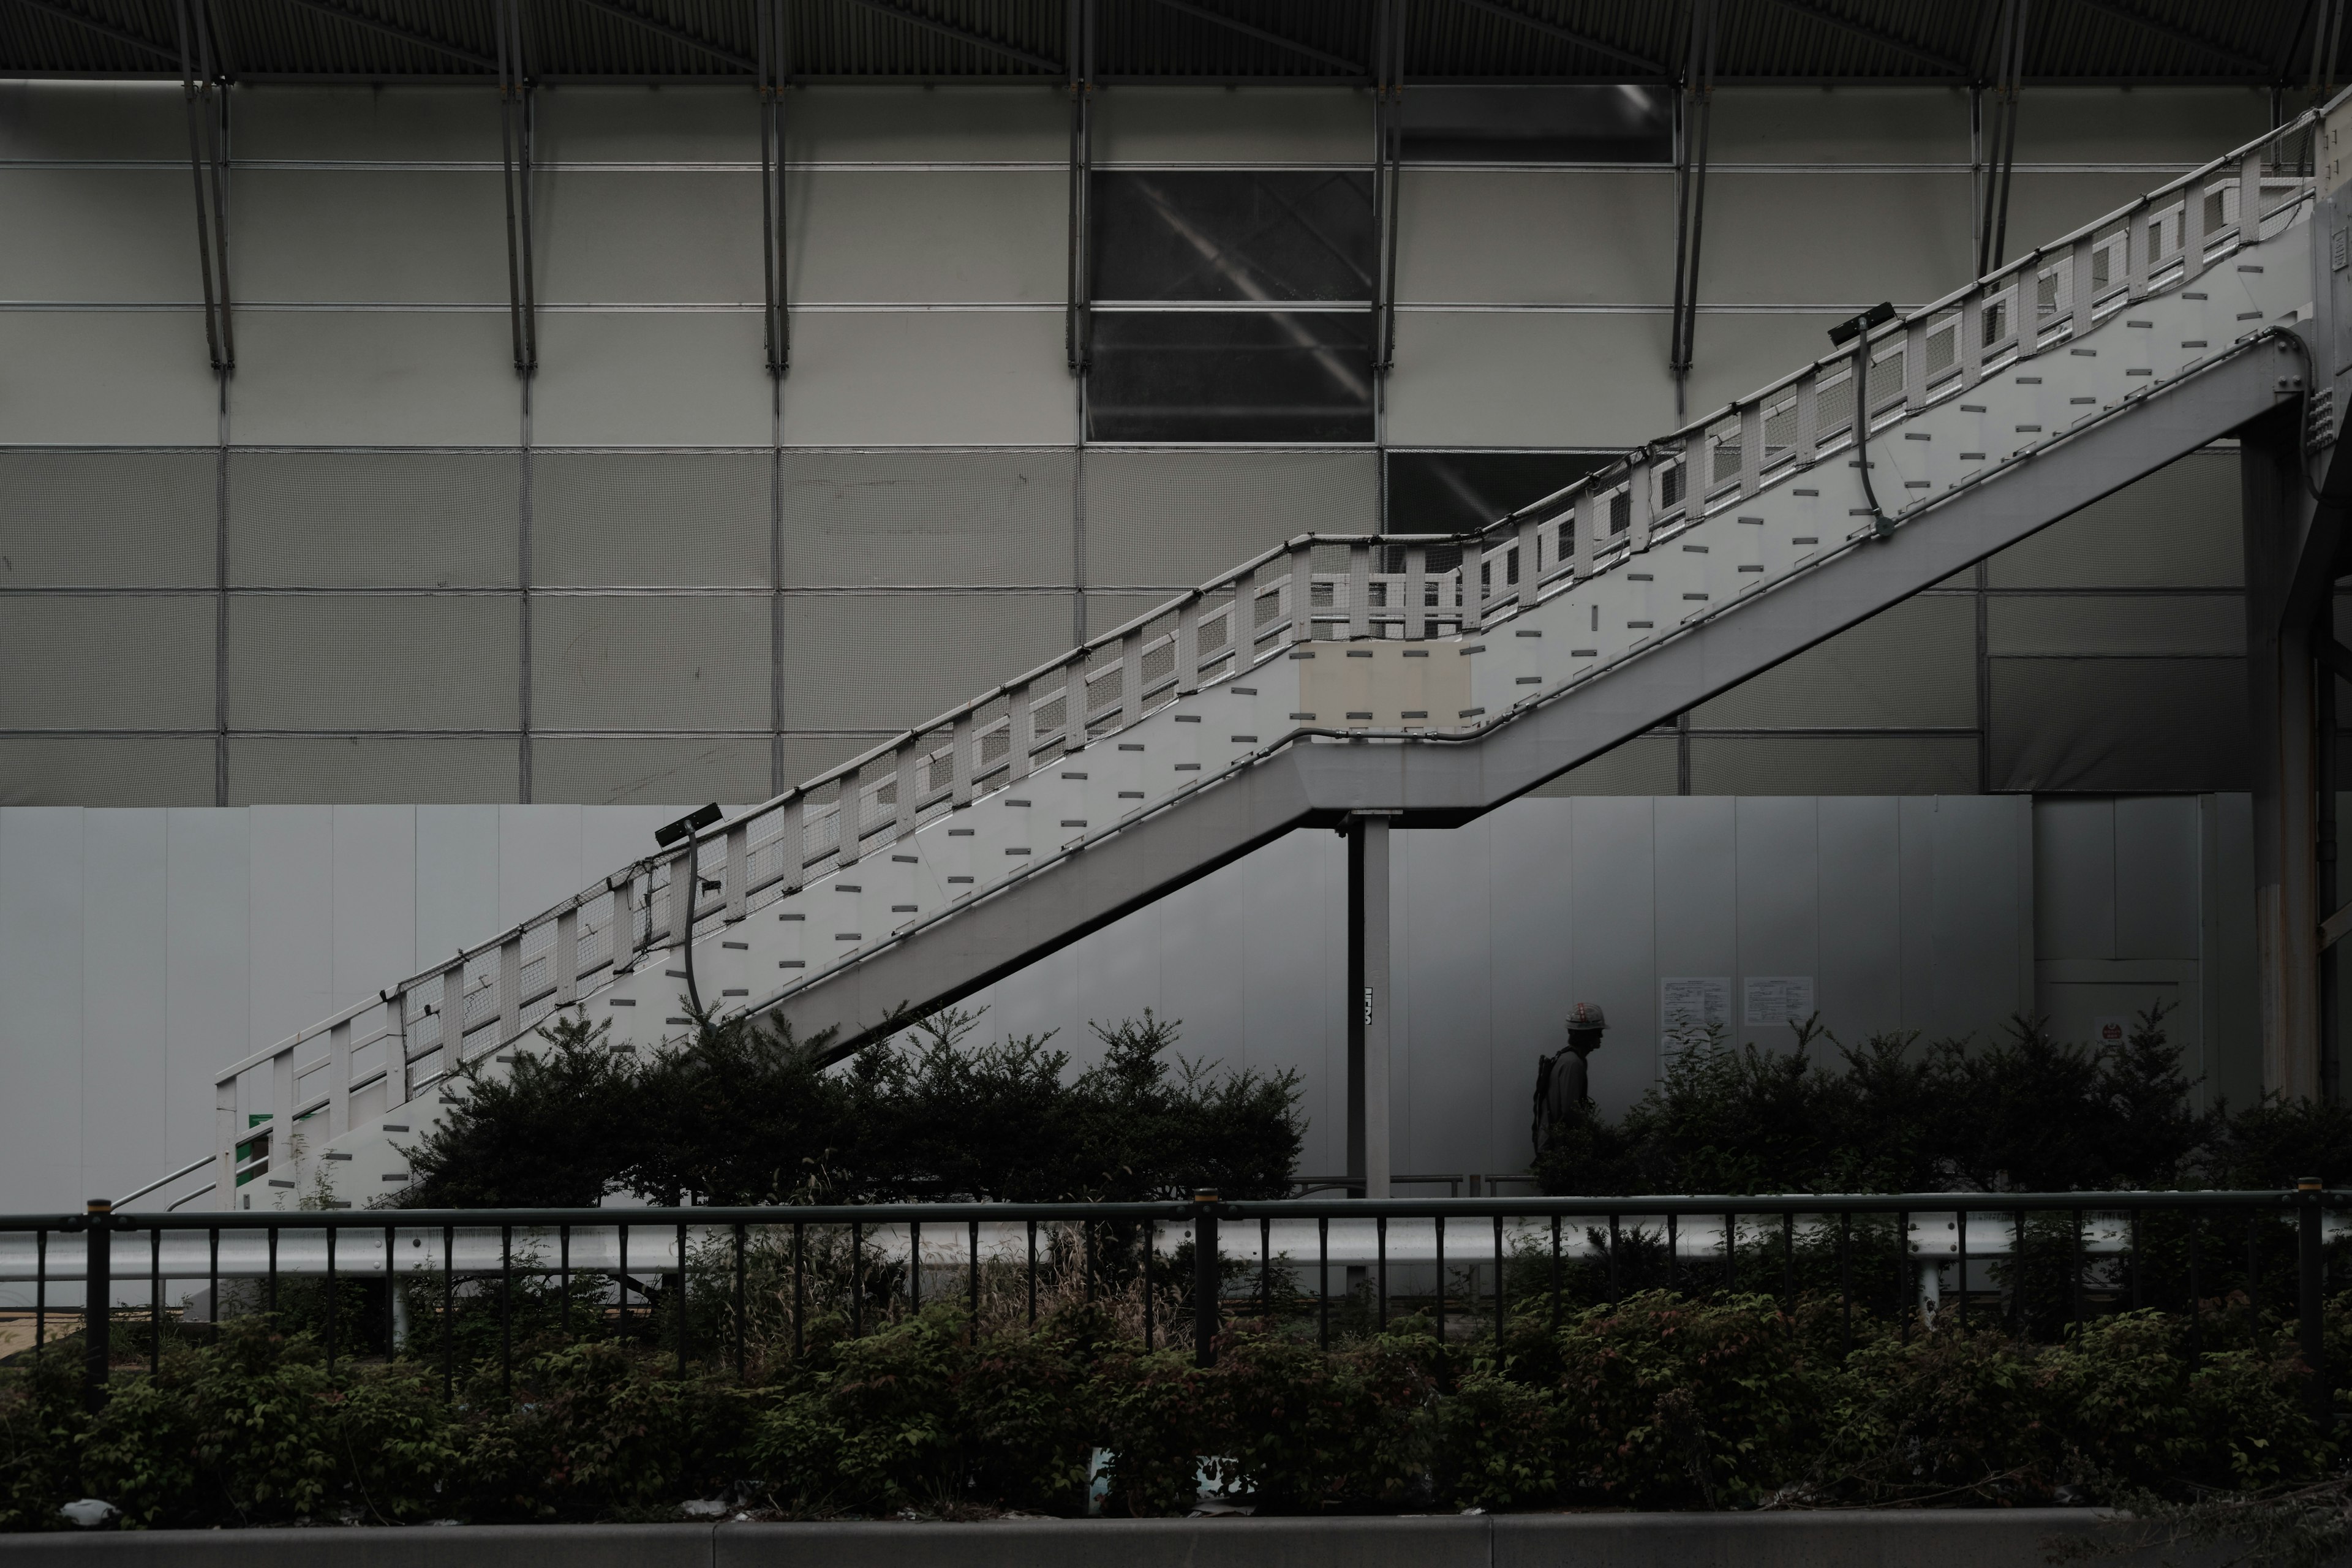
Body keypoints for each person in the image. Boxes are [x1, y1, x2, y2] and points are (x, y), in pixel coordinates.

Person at [1532, 1002, 1607, 1156]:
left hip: (1553, 1146)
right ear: (1586, 1035)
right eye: (1598, 1032)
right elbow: (1571, 1110)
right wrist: (1593, 1136)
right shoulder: (1573, 1064)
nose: (1601, 1037)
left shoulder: (1566, 1059)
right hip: (1560, 1150)